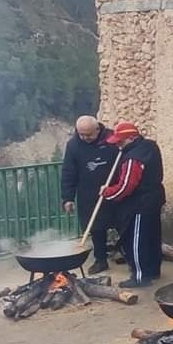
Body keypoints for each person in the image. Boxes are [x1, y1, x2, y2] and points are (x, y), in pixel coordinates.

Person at [102, 122, 165, 288]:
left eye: (120, 141)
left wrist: (107, 192)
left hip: (140, 204)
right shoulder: (150, 146)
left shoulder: (133, 158)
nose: (117, 145)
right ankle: (152, 270)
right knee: (152, 238)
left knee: (136, 241)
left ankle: (140, 276)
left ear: (131, 138)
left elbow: (125, 187)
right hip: (154, 198)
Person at [61, 116, 119, 274]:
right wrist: (68, 198)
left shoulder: (112, 139)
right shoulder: (73, 145)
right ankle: (100, 260)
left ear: (98, 130)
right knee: (96, 228)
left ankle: (126, 255)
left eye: (89, 134)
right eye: (82, 135)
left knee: (123, 223)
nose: (85, 138)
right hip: (88, 194)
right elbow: (68, 172)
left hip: (115, 190)